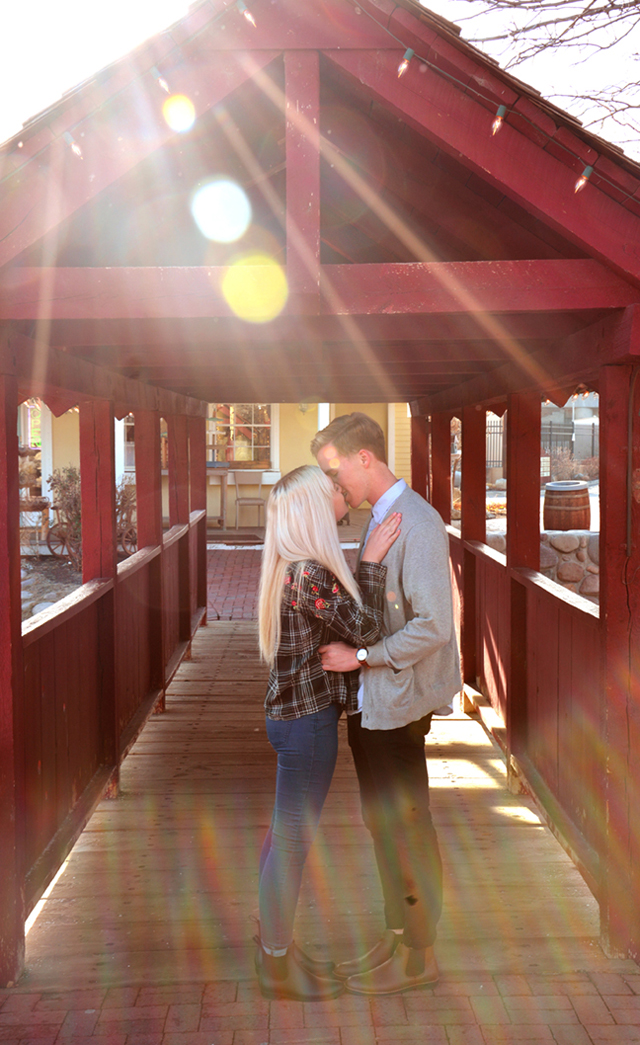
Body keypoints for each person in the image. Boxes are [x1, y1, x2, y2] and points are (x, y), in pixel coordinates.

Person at [311, 412, 461, 996]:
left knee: (407, 828)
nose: (333, 484)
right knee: (384, 826)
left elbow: (435, 627)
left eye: (334, 470)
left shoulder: (418, 524)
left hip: (396, 703)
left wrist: (362, 658)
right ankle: (397, 934)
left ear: (364, 458)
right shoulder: (380, 517)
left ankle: (420, 955)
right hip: (376, 705)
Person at [256, 464, 401, 1001]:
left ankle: (275, 948)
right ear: (315, 510)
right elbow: (369, 630)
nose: (341, 493)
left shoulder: (290, 568)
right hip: (308, 726)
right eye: (332, 492)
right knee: (292, 844)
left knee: (280, 838)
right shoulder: (310, 575)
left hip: (289, 721)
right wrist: (370, 565)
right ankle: (274, 963)